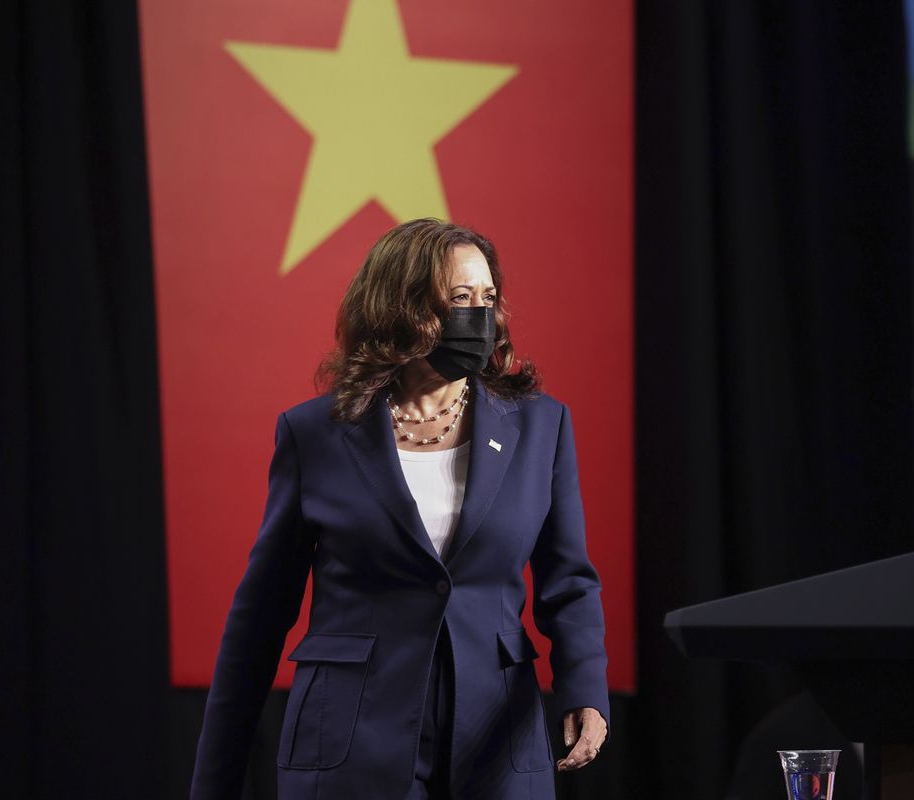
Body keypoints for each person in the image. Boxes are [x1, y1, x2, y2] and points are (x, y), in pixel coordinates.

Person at [189, 219, 610, 799]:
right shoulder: (315, 434)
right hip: (349, 745)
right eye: (459, 299)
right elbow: (260, 616)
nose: (479, 317)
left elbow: (569, 581)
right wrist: (215, 780)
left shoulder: (542, 426)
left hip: (496, 744)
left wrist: (585, 688)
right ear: (401, 308)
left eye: (488, 298)